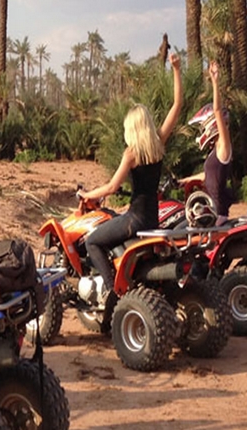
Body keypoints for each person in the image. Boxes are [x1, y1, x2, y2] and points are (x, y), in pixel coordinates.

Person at [80, 51, 185, 295]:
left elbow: (111, 188)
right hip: (152, 219)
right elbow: (177, 106)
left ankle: (111, 290)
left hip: (134, 220)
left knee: (92, 241)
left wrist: (87, 195)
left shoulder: (132, 154)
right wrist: (177, 70)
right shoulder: (158, 143)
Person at [180, 60, 234, 225]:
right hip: (210, 211)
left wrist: (215, 81)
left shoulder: (224, 147)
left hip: (216, 215)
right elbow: (209, 175)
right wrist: (185, 180)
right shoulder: (215, 152)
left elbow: (217, 110)